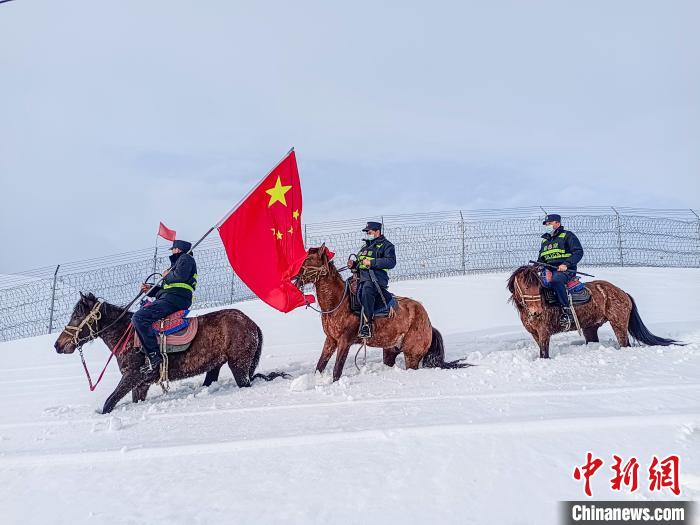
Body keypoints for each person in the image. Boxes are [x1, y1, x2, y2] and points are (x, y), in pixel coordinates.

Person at [133, 239, 197, 374]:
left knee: (139, 317)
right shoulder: (176, 264)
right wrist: (150, 289)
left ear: (178, 250)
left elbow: (180, 276)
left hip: (175, 299)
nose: (172, 251)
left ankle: (153, 355)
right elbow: (166, 289)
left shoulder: (186, 258)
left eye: (173, 249)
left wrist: (166, 275)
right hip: (170, 297)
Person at [347, 221, 396, 338]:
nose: (367, 233)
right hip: (362, 277)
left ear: (377, 231)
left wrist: (372, 262)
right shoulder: (364, 247)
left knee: (366, 291)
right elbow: (360, 264)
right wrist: (353, 265)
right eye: (366, 232)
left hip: (377, 278)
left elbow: (391, 262)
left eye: (369, 231)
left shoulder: (387, 245)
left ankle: (367, 324)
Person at [538, 214, 584, 328]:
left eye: (549, 223)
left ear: (557, 223)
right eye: (546, 224)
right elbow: (541, 258)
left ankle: (566, 311)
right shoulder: (545, 241)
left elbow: (578, 252)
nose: (547, 225)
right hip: (549, 270)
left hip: (566, 270)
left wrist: (566, 264)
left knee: (555, 281)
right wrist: (537, 266)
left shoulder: (568, 235)